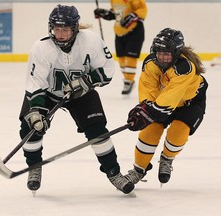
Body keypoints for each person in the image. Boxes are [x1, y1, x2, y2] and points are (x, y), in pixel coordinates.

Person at [19, 4, 134, 196]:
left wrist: (87, 81)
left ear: (75, 28)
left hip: (82, 93)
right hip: (47, 94)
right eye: (57, 29)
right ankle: (34, 166)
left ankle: (114, 173)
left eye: (65, 29)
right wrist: (38, 112)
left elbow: (107, 70)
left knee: (97, 130)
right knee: (30, 128)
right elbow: (35, 83)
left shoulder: (91, 41)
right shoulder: (41, 47)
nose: (61, 34)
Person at [123, 28, 208, 187]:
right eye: (159, 52)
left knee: (178, 132)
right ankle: (138, 170)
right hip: (163, 101)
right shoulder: (150, 63)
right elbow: (148, 88)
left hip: (190, 104)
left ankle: (167, 159)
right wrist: (145, 107)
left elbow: (171, 96)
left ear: (176, 53)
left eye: (167, 53)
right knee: (149, 131)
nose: (162, 57)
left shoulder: (185, 67)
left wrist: (148, 113)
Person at [94, 0, 147, 95]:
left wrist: (133, 16)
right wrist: (104, 13)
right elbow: (116, 14)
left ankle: (128, 81)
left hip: (134, 32)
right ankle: (128, 79)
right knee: (121, 60)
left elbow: (142, 10)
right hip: (119, 32)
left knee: (130, 58)